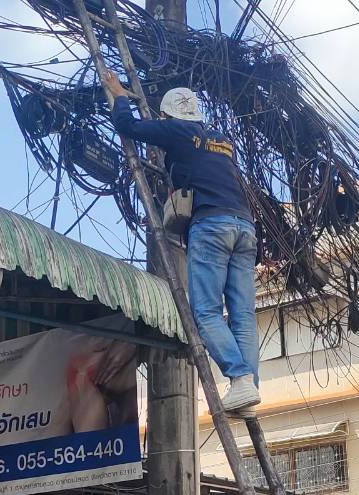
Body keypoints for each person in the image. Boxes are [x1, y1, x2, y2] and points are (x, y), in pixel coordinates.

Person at [100, 71, 261, 413]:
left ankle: (239, 377)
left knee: (206, 312)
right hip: (245, 228)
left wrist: (119, 95)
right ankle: (247, 390)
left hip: (211, 225)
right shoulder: (221, 141)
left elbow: (129, 127)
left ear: (169, 115)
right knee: (243, 316)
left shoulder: (177, 130)